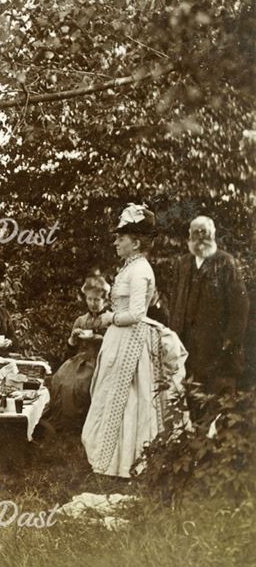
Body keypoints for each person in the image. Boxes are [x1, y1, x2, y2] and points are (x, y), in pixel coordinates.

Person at [82, 204, 181, 478]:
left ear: (136, 243)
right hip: (120, 338)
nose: (116, 242)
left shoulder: (141, 270)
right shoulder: (130, 267)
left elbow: (137, 313)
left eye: (121, 238)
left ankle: (127, 462)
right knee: (112, 396)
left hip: (132, 340)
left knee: (129, 400)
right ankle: (111, 458)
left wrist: (109, 319)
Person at [167, 216, 249, 395]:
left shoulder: (226, 262)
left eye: (205, 234)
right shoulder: (183, 264)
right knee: (187, 399)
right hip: (185, 345)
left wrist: (229, 340)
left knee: (215, 402)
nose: (201, 239)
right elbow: (175, 304)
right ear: (189, 236)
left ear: (213, 235)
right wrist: (173, 334)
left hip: (216, 349)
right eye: (196, 234)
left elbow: (240, 307)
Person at [46, 272, 112, 433]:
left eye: (97, 299)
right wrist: (73, 339)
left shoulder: (110, 319)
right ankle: (63, 424)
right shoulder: (81, 320)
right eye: (89, 299)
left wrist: (101, 338)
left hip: (102, 359)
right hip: (80, 359)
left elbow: (117, 345)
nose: (93, 303)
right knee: (59, 380)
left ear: (105, 300)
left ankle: (81, 426)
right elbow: (70, 351)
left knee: (79, 386)